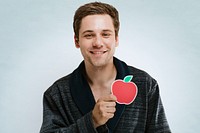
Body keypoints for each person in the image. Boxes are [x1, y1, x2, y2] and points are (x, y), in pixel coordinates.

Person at [40, 2, 171, 133]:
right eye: (89, 35)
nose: (97, 43)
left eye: (105, 34)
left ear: (116, 39)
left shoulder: (145, 85)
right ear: (76, 41)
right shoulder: (57, 94)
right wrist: (92, 121)